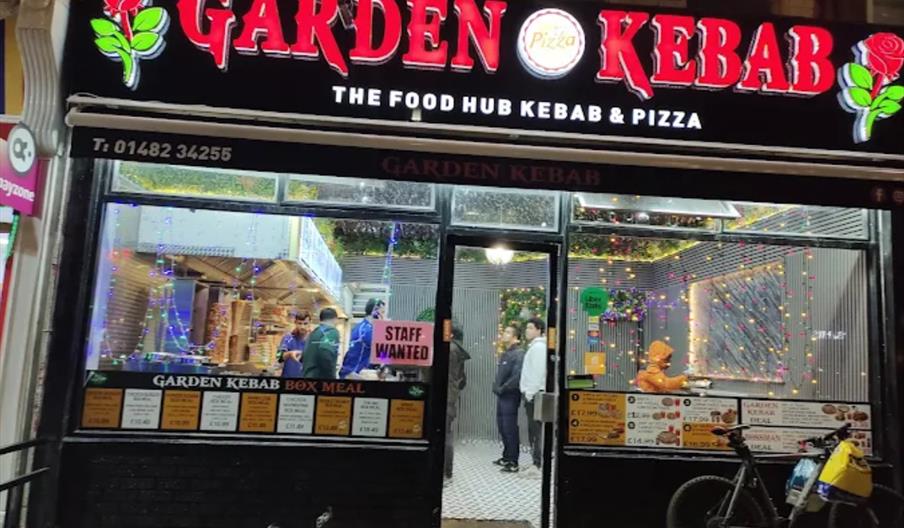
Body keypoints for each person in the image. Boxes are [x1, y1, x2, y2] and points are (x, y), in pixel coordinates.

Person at [493, 324, 524, 473]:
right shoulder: (506, 353)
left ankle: (513, 461)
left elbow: (516, 377)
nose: (504, 334)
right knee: (502, 425)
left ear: (515, 337)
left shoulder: (518, 354)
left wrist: (503, 388)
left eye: (507, 332)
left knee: (509, 427)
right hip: (502, 395)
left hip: (510, 395)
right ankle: (506, 456)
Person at [519, 317, 546, 479]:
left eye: (530, 328)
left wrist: (529, 394)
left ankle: (537, 465)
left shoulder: (538, 349)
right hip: (533, 394)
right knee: (534, 429)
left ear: (539, 330)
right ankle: (535, 463)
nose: (527, 330)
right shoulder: (536, 347)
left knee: (535, 430)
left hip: (534, 395)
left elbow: (536, 373)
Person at [444, 324, 470, 483]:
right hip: (451, 396)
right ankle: (447, 472)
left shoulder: (451, 350)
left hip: (446, 396)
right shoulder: (458, 350)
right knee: (447, 432)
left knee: (445, 434)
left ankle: (446, 473)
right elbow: (462, 381)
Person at [339, 298, 385, 379]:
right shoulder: (368, 330)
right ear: (375, 311)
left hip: (350, 372)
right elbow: (381, 351)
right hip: (353, 374)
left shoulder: (361, 327)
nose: (383, 316)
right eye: (382, 312)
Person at [301, 308, 341, 379]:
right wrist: (331, 377)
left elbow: (303, 356)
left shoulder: (313, 333)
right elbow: (325, 352)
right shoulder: (332, 332)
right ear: (335, 319)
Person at [278, 312, 310, 378]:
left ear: (310, 323)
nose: (302, 326)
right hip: (288, 380)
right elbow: (278, 357)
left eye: (305, 323)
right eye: (299, 323)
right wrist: (289, 353)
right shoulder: (288, 338)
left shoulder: (314, 339)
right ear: (295, 323)